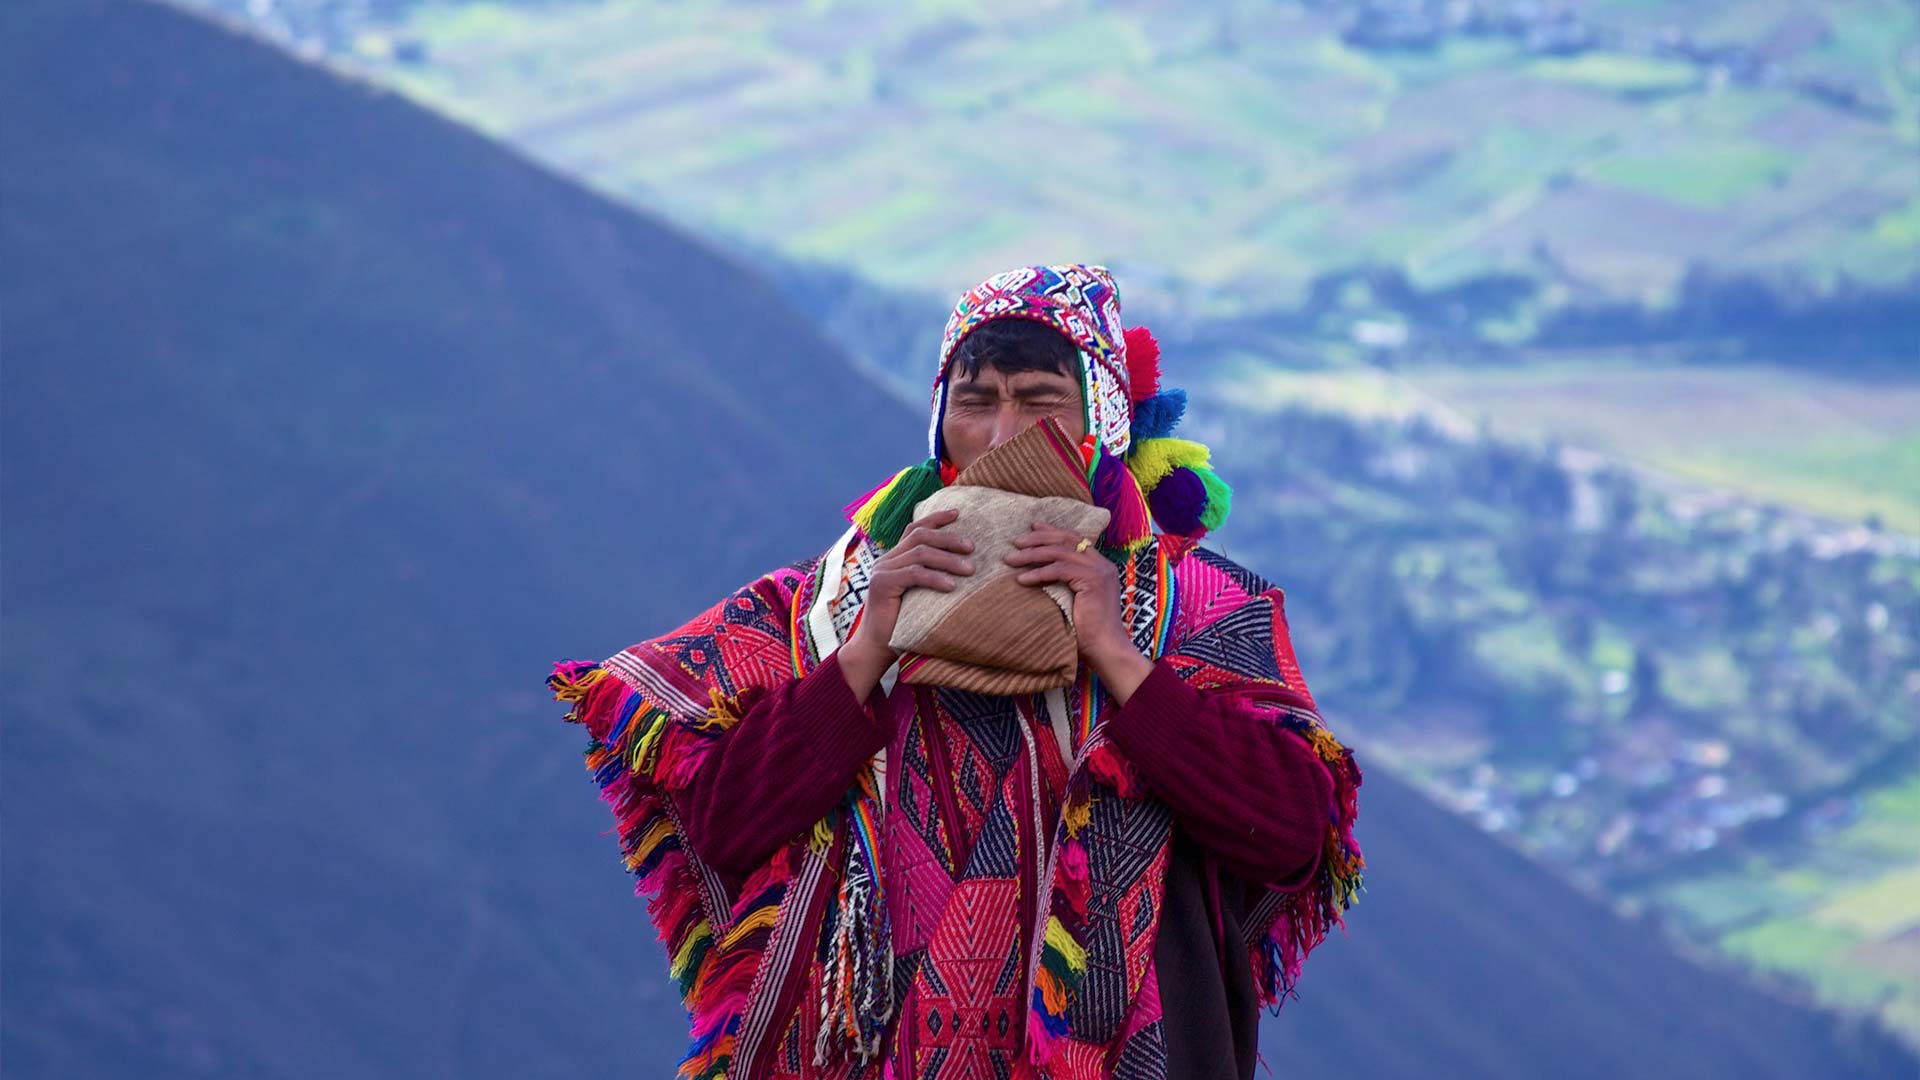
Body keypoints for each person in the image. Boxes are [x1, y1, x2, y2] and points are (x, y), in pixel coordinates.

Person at [547, 264, 1363, 1080]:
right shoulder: (827, 604)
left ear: (1104, 421)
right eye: (976, 402)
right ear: (941, 423)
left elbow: (1292, 834)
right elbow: (721, 826)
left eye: (1042, 402)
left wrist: (1119, 658)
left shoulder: (1199, 605)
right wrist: (867, 652)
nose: (1004, 436)